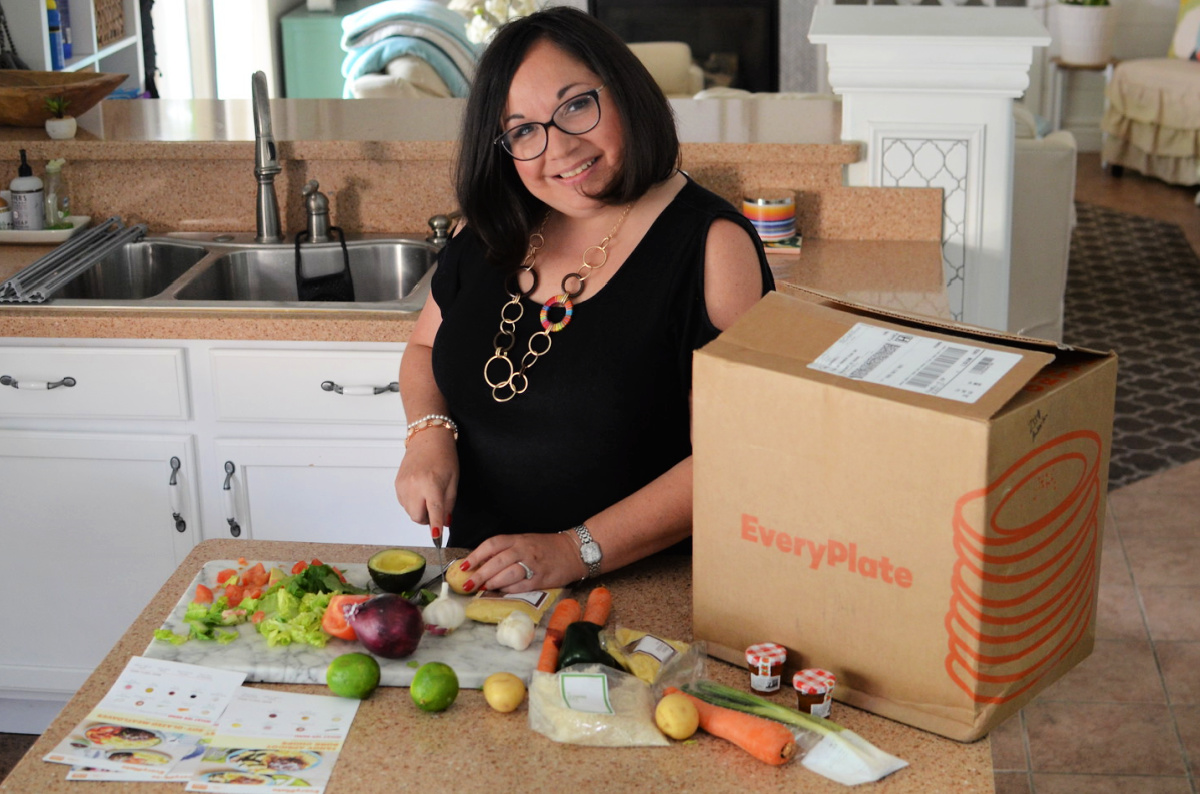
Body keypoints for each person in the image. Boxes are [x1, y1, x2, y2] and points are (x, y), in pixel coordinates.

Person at [394, 6, 773, 593]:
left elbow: (735, 456)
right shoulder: (494, 227)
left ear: (622, 91)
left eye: (575, 105)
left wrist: (576, 550)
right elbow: (424, 348)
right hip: (478, 590)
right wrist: (428, 431)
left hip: (634, 597)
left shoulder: (711, 247)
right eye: (523, 130)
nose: (559, 148)